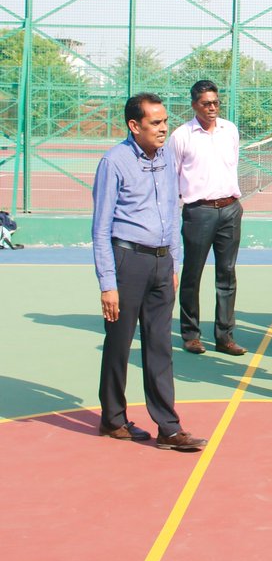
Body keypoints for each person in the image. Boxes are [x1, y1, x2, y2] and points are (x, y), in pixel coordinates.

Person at [92, 92, 207, 451]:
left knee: (160, 345)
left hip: (161, 264)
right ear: (134, 125)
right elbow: (100, 228)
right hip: (128, 261)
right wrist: (107, 284)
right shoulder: (114, 162)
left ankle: (168, 428)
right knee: (119, 343)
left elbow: (173, 212)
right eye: (155, 123)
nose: (163, 129)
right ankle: (113, 419)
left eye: (164, 122)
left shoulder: (167, 158)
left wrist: (172, 261)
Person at [170, 80, 246, 356]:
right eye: (206, 104)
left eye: (216, 102)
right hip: (198, 212)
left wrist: (234, 205)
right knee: (193, 274)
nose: (212, 108)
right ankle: (191, 334)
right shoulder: (181, 136)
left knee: (227, 274)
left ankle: (225, 336)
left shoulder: (230, 130)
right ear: (194, 105)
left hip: (230, 209)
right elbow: (173, 178)